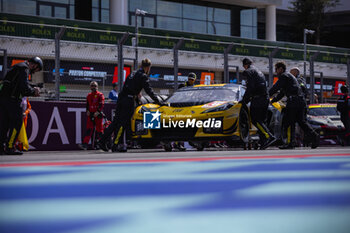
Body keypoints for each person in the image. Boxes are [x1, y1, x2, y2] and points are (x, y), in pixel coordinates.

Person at [98, 58, 161, 152]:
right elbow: (149, 90)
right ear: (148, 67)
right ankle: (116, 145)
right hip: (128, 100)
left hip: (121, 97)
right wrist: (158, 100)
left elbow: (130, 86)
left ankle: (102, 141)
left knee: (115, 121)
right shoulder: (143, 75)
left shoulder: (133, 73)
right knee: (123, 123)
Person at [269, 61, 319, 149]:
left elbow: (276, 87)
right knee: (301, 122)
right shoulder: (289, 77)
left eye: (276, 69)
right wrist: (273, 100)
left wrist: (266, 95)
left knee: (288, 122)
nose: (276, 72)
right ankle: (314, 136)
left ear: (280, 69)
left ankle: (290, 143)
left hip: (293, 102)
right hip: (300, 101)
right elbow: (282, 92)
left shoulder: (284, 76)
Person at [0, 57, 42, 155]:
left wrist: (32, 87)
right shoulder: (25, 69)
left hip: (3, 99)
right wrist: (33, 92)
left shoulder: (17, 66)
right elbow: (23, 88)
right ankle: (10, 147)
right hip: (13, 100)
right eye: (36, 69)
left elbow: (18, 83)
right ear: (34, 65)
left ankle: (1, 147)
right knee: (16, 123)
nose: (35, 72)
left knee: (4, 125)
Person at [241, 57, 276, 150]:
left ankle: (269, 136)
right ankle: (264, 142)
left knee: (255, 120)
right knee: (261, 121)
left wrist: (244, 100)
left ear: (245, 65)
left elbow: (250, 87)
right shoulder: (259, 71)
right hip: (265, 99)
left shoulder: (248, 71)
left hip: (258, 100)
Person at [79, 81, 105, 150]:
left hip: (98, 115)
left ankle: (100, 144)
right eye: (92, 86)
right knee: (89, 129)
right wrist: (87, 111)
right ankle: (85, 144)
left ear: (97, 87)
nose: (93, 87)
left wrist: (98, 111)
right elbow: (87, 104)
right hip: (90, 114)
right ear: (90, 87)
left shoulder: (100, 95)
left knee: (99, 130)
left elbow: (101, 104)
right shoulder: (89, 95)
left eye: (95, 86)